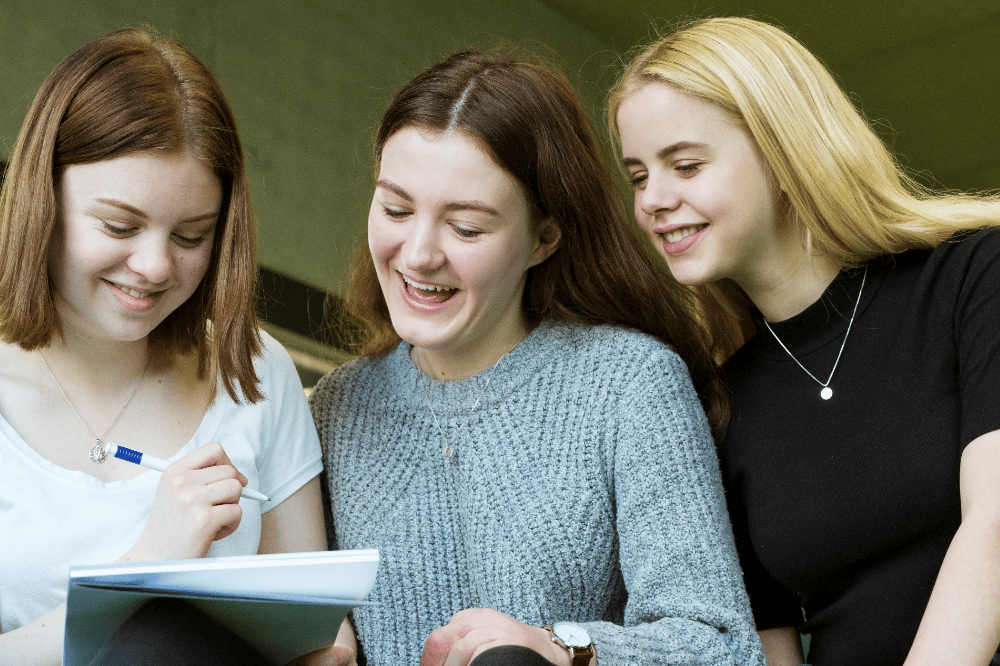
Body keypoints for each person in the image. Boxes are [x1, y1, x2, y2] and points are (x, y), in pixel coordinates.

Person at [306, 49, 765, 666]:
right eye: (395, 209)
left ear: (543, 239)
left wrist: (558, 647)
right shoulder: (336, 408)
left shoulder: (630, 385)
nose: (417, 254)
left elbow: (722, 646)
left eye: (466, 228)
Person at [610, 16, 1000, 666]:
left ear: (784, 153)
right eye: (638, 176)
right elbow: (767, 643)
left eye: (685, 165)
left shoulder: (973, 277)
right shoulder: (717, 406)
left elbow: (995, 523)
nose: (652, 199)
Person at [0, 27, 330, 664]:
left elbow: (314, 626)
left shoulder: (255, 372)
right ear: (44, 200)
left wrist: (323, 647)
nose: (154, 266)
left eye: (191, 236)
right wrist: (148, 563)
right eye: (119, 225)